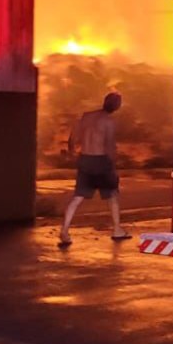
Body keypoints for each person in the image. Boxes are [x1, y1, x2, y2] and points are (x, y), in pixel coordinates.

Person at [58, 92, 130, 248]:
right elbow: (109, 145)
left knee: (77, 197)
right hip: (101, 161)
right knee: (112, 195)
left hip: (85, 159)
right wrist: (113, 164)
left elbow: (73, 136)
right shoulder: (108, 121)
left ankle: (64, 230)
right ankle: (117, 230)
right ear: (116, 106)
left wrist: (72, 153)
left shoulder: (87, 116)